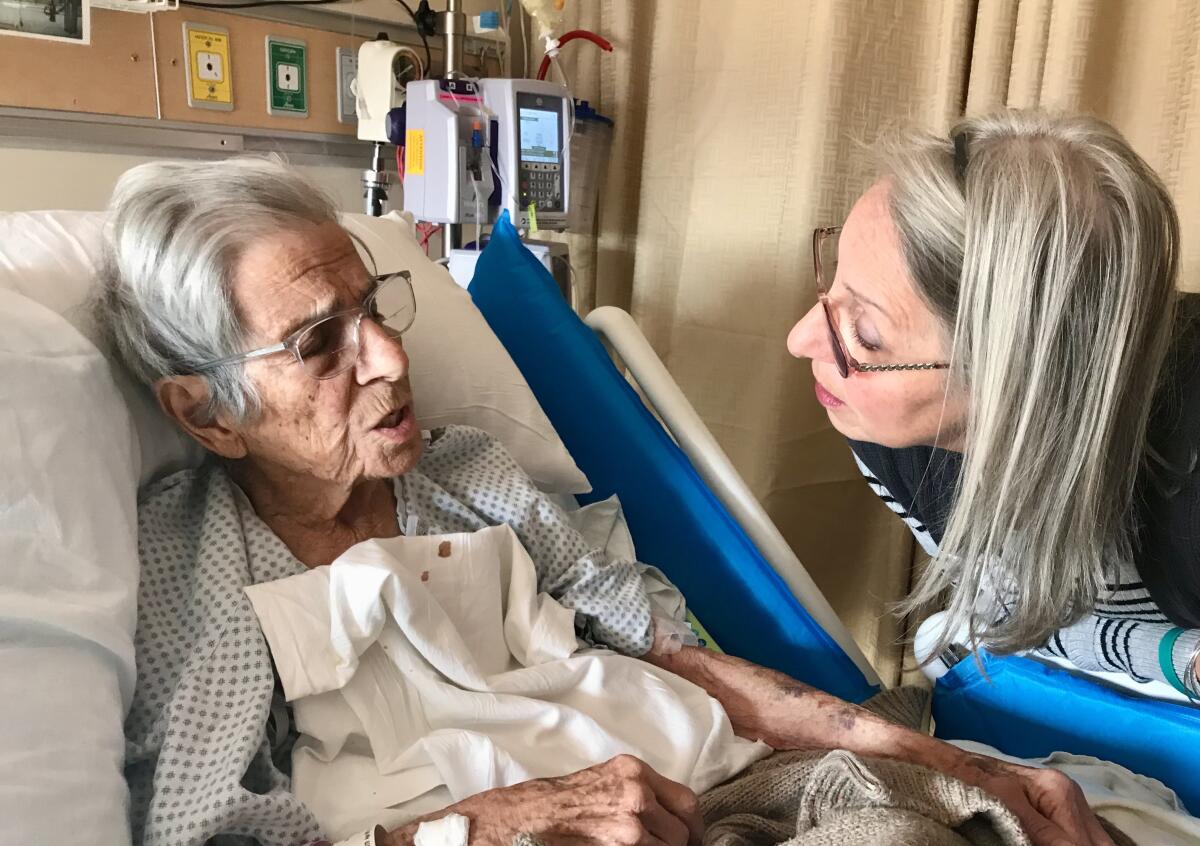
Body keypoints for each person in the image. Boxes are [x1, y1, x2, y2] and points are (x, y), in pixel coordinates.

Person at [102, 156, 1110, 846]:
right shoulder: (201, 567)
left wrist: (942, 762)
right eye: (322, 344)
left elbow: (674, 655)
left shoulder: (469, 475)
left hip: (718, 790)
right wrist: (506, 819)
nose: (392, 357)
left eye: (374, 308)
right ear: (206, 416)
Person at [788, 109, 1200, 698]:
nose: (801, 340)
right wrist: (1175, 655)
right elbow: (1016, 619)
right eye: (833, 287)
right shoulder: (887, 436)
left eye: (868, 335)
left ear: (1020, 380)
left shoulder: (1185, 493)